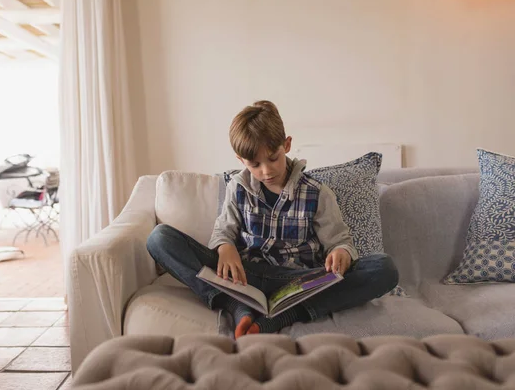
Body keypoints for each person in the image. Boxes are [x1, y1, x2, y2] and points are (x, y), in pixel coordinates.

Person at [147, 100, 398, 339]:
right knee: (160, 239)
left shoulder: (317, 193)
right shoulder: (238, 187)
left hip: (299, 282)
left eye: (273, 158)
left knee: (383, 268)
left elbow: (340, 241)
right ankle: (235, 304)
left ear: (286, 145)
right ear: (240, 160)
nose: (266, 171)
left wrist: (341, 252)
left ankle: (285, 314)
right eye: (254, 164)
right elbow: (223, 230)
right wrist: (225, 248)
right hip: (245, 276)